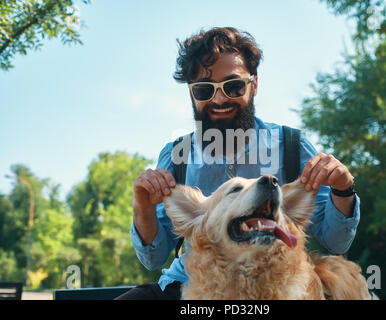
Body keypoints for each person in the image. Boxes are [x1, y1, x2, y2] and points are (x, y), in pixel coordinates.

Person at [116, 27, 360, 300]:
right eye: (204, 90)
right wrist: (142, 207)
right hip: (191, 285)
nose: (219, 99)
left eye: (233, 86)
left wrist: (343, 188)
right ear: (191, 93)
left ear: (253, 85)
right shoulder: (177, 154)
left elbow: (336, 242)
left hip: (277, 288)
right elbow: (154, 258)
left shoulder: (292, 146)